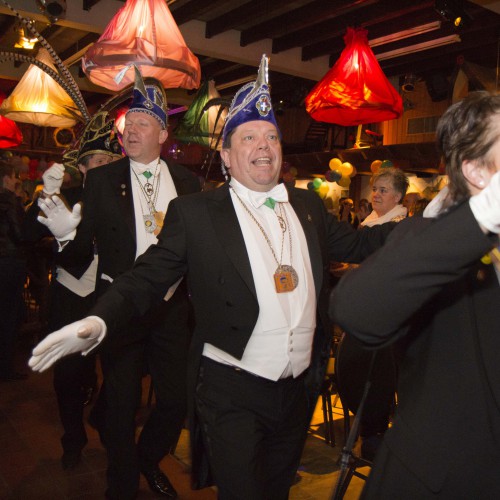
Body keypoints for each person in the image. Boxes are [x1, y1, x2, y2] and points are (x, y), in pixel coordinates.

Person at [29, 55, 394, 499]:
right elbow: (146, 275)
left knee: (276, 491)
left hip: (299, 389)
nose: (264, 146)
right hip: (233, 389)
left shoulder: (308, 206)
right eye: (249, 137)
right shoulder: (198, 213)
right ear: (226, 155)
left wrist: (439, 221)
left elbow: (362, 244)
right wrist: (98, 320)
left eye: (271, 136)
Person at [35, 69, 200, 499]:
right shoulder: (103, 180)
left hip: (171, 307)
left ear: (162, 133)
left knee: (175, 401)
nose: (131, 130)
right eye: (129, 123)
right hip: (120, 306)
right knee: (122, 407)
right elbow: (79, 254)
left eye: (143, 123)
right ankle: (121, 485)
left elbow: (200, 247)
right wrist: (64, 236)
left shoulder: (188, 182)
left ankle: (148, 458)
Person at [330, 91, 500, 498]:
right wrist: (482, 215)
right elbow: (355, 309)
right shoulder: (430, 237)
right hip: (447, 478)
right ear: (476, 171)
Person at [24, 111, 123, 470]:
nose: (105, 168)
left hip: (111, 298)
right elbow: (27, 234)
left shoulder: (125, 202)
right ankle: (73, 440)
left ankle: (100, 414)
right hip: (70, 297)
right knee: (67, 376)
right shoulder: (64, 196)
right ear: (81, 167)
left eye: (111, 162)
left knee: (123, 372)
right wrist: (45, 194)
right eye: (97, 162)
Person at [0, 161, 28, 381]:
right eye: (14, 177)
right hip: (10, 262)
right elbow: (21, 234)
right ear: (6, 179)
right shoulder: (10, 201)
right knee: (9, 316)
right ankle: (5, 368)